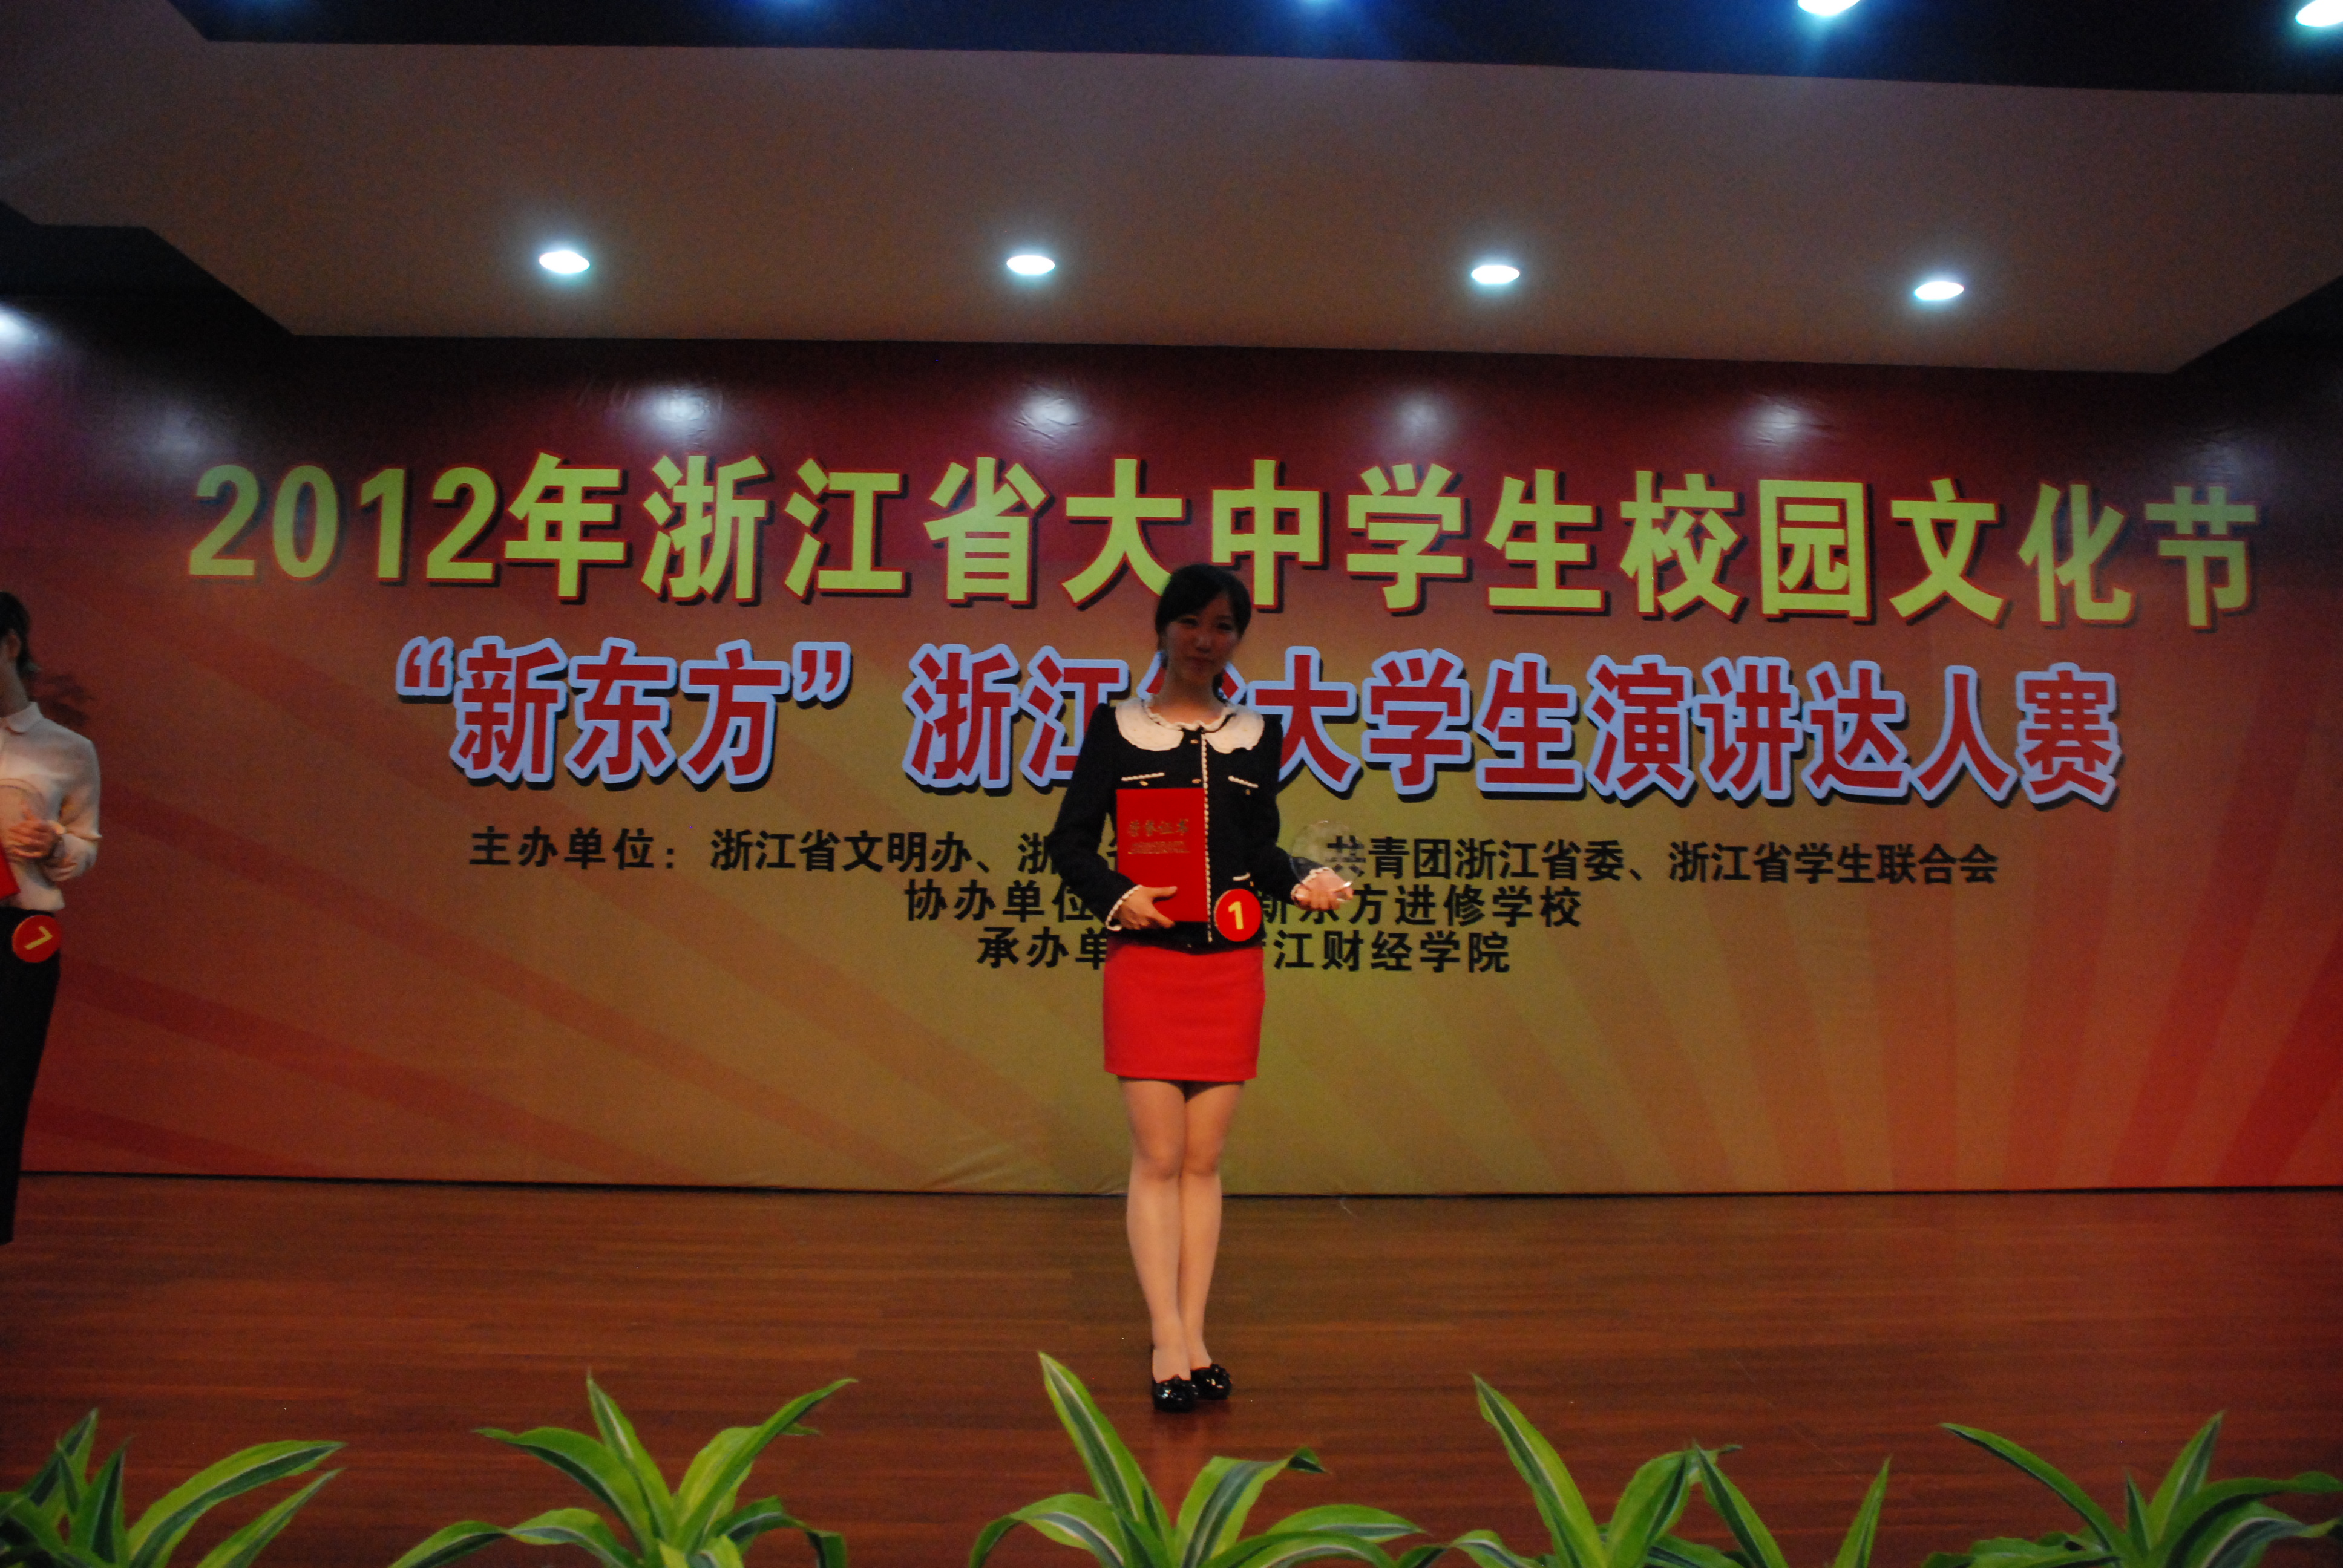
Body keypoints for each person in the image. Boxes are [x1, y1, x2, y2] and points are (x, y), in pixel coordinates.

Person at [1045, 563, 1349, 1412]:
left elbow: (1257, 852)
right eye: (1190, 622)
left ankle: (1196, 1335)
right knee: (1158, 1159)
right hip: (1146, 964)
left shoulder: (1257, 733)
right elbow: (1069, 844)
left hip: (1229, 967)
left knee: (1204, 1162)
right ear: (1162, 629)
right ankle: (1166, 1341)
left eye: (1222, 627)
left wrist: (1303, 881)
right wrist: (1117, 896)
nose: (1204, 640)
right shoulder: (1114, 728)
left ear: (1236, 640)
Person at [0, 592, 99, 1245]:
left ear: (10, 645)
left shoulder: (68, 750)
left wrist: (56, 844)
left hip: (17, 941)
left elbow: (86, 847)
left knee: (4, 1097)